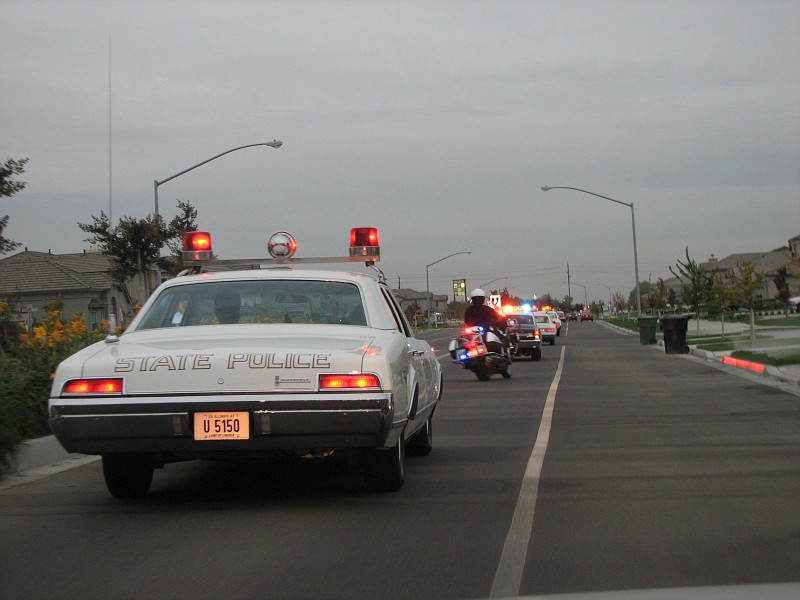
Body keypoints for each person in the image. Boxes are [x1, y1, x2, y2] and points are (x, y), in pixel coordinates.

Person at [463, 288, 507, 354]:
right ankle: (503, 354)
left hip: (471, 333)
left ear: (472, 299)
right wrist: (501, 324)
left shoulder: (468, 311)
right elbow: (498, 319)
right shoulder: (488, 310)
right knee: (503, 337)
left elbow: (466, 321)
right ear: (483, 299)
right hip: (485, 331)